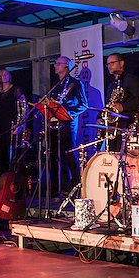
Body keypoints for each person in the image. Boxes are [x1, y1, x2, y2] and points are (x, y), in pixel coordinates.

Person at [48, 56, 87, 192]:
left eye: (57, 64)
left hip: (68, 124)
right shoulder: (55, 85)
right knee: (54, 156)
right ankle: (57, 189)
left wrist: (68, 112)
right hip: (54, 124)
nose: (55, 66)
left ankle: (75, 184)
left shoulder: (75, 84)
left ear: (66, 66)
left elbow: (84, 105)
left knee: (67, 154)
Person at [0, 68, 25, 186]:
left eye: (5, 73)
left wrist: (20, 125)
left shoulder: (15, 90)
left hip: (11, 127)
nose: (3, 75)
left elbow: (24, 109)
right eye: (0, 74)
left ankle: (11, 186)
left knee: (10, 158)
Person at [103, 53, 139, 152]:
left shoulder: (130, 79)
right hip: (114, 127)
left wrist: (123, 107)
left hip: (127, 125)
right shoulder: (111, 84)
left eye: (112, 63)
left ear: (121, 63)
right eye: (108, 64)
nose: (109, 66)